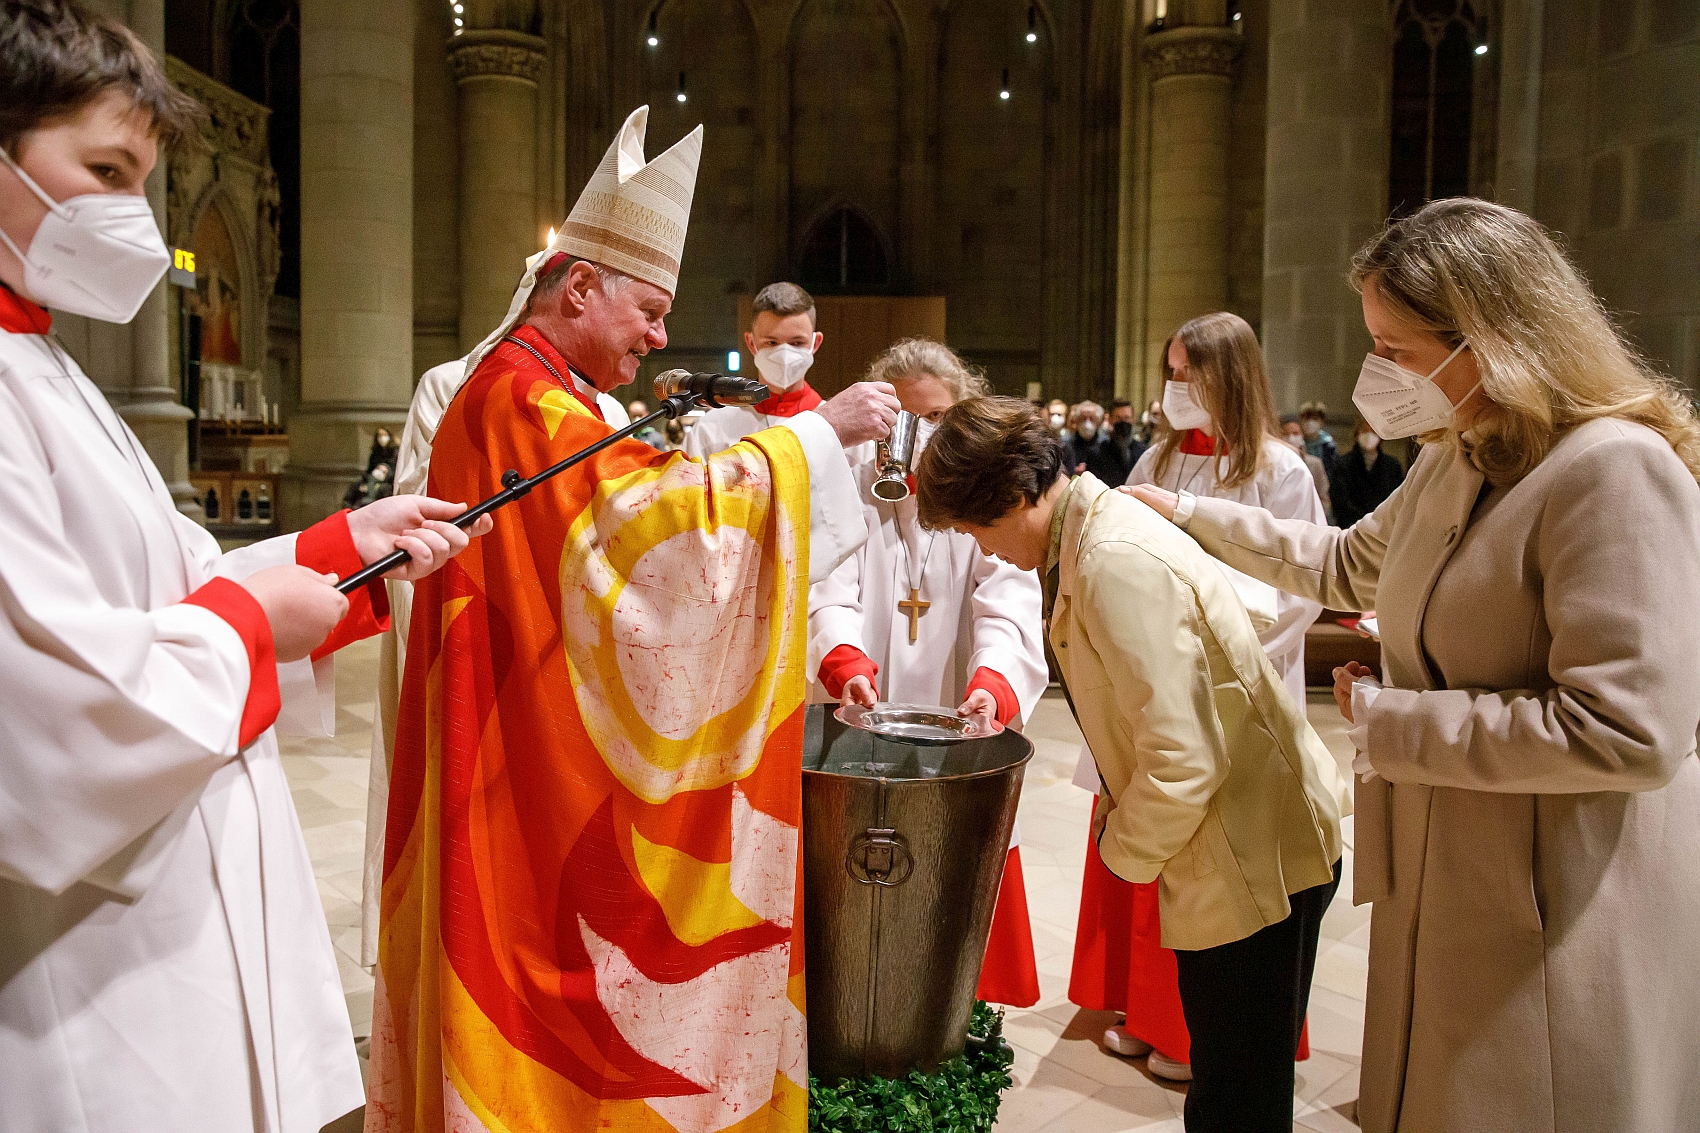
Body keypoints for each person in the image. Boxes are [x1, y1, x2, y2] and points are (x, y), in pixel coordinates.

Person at [0, 5, 489, 1129]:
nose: (133, 217)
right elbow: (47, 714)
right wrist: (250, 621)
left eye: (143, 183)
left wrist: (334, 551)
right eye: (105, 171)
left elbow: (163, 586)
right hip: (87, 970)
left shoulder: (43, 360)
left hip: (164, 918)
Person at [368, 105, 900, 1133]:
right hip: (526, 751)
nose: (660, 337)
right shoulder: (526, 399)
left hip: (524, 730)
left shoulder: (531, 388)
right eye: (649, 311)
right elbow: (661, 535)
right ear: (579, 288)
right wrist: (814, 437)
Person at [1130, 197, 1700, 1133]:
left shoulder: (1611, 471)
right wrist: (1185, 513)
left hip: (1554, 895)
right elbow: (1345, 561)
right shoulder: (1460, 453)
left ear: (1490, 338)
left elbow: (1629, 730)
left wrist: (1394, 720)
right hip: (1452, 867)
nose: (1377, 372)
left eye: (1394, 348)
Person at [915, 397, 1348, 1133]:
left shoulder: (1112, 559)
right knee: (1230, 1087)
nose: (982, 550)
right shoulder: (1094, 535)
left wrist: (1121, 852)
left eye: (975, 529)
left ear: (1013, 494)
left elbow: (1183, 759)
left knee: (1236, 1100)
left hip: (1254, 852)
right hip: (1243, 837)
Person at [1075, 313, 1324, 1079]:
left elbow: (1300, 588)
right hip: (1156, 682)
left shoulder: (1280, 470)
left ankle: (1193, 1040)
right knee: (1157, 849)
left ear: (1232, 375)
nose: (1176, 386)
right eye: (1172, 371)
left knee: (1220, 868)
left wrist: (1226, 665)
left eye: (1191, 372)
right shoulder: (1156, 456)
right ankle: (1147, 1012)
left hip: (1236, 689)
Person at [809, 338, 1048, 1007]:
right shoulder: (852, 474)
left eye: (938, 416)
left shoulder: (985, 482)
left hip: (955, 709)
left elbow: (1008, 595)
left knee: (955, 861)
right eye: (905, 416)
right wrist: (842, 657)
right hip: (863, 714)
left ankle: (956, 1005)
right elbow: (827, 584)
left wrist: (993, 683)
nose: (919, 434)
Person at [685, 280, 837, 458]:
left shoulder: (835, 428)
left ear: (815, 343)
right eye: (771, 342)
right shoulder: (711, 429)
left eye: (797, 343)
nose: (784, 355)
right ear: (751, 343)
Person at [1330, 414, 1404, 528]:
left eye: (1373, 431)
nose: (1369, 435)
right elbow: (1339, 501)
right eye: (1364, 430)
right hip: (1350, 527)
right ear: (1357, 433)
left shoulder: (1392, 466)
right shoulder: (1342, 464)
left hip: (1383, 527)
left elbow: (1397, 500)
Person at [1281, 413, 1334, 522]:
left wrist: (1315, 520)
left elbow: (1324, 496)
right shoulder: (1274, 464)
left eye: (1295, 433)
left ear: (1302, 435)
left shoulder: (1314, 463)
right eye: (1286, 434)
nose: (1291, 437)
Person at [1109, 398, 1147, 475]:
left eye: (1127, 418)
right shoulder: (1097, 453)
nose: (1123, 422)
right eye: (1118, 418)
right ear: (1110, 420)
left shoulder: (1143, 452)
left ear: (1133, 420)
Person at [1298, 400, 1336, 475]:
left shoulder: (1328, 445)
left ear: (1322, 422)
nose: (1310, 422)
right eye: (1307, 418)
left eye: (1315, 419)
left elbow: (1331, 470)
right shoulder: (1297, 441)